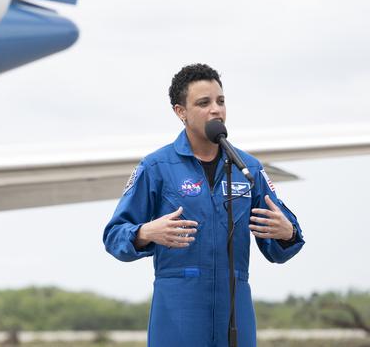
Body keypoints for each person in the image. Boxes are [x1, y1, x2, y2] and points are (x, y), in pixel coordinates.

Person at [103, 63, 304, 346]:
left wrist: (288, 233)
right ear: (180, 112)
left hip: (235, 309)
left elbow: (280, 247)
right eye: (204, 103)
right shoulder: (156, 167)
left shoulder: (248, 169)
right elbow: (114, 236)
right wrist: (145, 233)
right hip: (178, 312)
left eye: (220, 101)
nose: (216, 110)